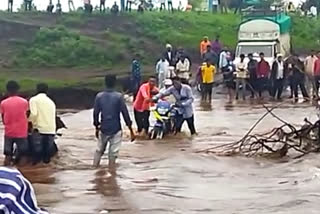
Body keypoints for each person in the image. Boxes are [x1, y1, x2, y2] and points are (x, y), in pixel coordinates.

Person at [93, 75, 135, 168]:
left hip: (103, 127)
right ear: (115, 83)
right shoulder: (118, 97)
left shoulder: (99, 96)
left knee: (99, 150)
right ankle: (111, 173)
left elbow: (96, 113)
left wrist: (97, 127)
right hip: (116, 128)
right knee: (113, 153)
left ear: (105, 83)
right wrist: (131, 130)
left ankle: (95, 169)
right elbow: (125, 114)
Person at [0, 81, 29, 166]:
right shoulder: (24, 102)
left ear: (7, 90)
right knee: (23, 154)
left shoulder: (3, 103)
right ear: (18, 90)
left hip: (9, 132)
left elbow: (3, 118)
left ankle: (6, 172)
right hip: (22, 132)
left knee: (8, 155)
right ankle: (22, 172)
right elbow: (27, 114)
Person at [29, 83, 56, 164]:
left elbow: (33, 114)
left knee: (37, 154)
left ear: (36, 89)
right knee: (47, 156)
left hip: (39, 129)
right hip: (51, 130)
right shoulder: (51, 102)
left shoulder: (33, 100)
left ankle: (36, 172)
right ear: (47, 91)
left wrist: (29, 122)